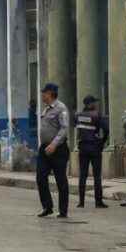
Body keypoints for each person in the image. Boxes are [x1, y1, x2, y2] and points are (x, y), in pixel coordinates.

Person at [36, 83, 70, 218]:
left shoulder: (61, 108)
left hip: (58, 149)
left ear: (50, 93)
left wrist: (54, 144)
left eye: (44, 93)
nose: (42, 95)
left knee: (60, 179)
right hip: (45, 148)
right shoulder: (45, 109)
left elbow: (64, 128)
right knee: (40, 177)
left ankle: (63, 210)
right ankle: (47, 206)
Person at [75, 95, 109, 208]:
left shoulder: (78, 115)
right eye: (94, 102)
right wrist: (102, 142)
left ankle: (81, 202)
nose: (96, 104)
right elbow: (106, 129)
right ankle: (98, 202)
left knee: (83, 175)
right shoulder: (97, 115)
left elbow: (77, 128)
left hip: (83, 148)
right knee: (97, 176)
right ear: (90, 104)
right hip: (94, 148)